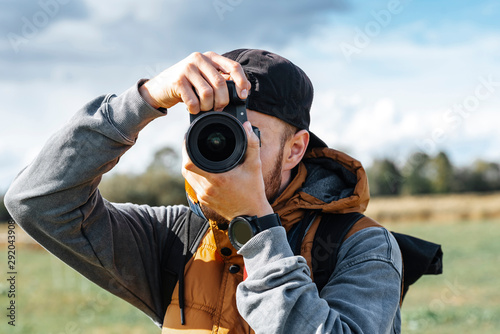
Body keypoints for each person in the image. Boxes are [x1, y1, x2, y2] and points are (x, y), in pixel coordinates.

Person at [5, 49, 402, 333]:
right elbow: (37, 201)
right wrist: (142, 100)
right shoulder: (177, 237)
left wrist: (257, 229)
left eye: (251, 134)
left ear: (295, 149)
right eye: (214, 131)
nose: (228, 147)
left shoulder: (362, 244)